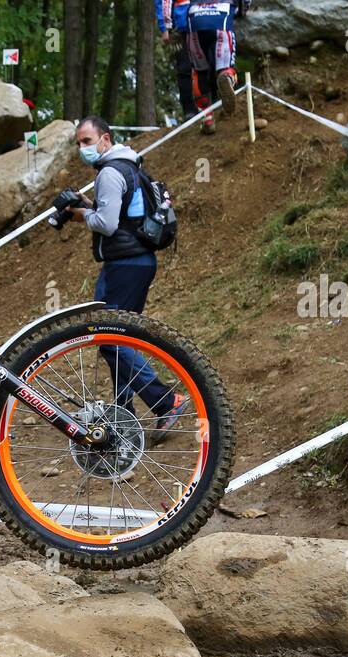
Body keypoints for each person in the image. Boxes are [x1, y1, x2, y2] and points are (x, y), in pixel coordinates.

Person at [54, 116, 185, 434]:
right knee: (117, 338)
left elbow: (108, 224)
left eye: (87, 141)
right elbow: (122, 213)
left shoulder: (111, 172)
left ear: (105, 140)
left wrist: (81, 214)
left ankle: (166, 401)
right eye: (78, 143)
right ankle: (123, 416)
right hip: (135, 261)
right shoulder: (129, 166)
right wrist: (88, 204)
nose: (82, 148)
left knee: (109, 338)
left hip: (126, 265)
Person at [186, 0, 247, 134]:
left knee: (198, 71)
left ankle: (207, 118)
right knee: (225, 68)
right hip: (221, 15)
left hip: (195, 18)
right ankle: (227, 78)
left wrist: (169, 26)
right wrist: (243, 9)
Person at [155, 1, 197, 119]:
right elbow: (161, 2)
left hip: (204, 20)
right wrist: (164, 28)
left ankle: (211, 104)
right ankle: (189, 109)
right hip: (179, 26)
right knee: (184, 67)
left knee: (207, 64)